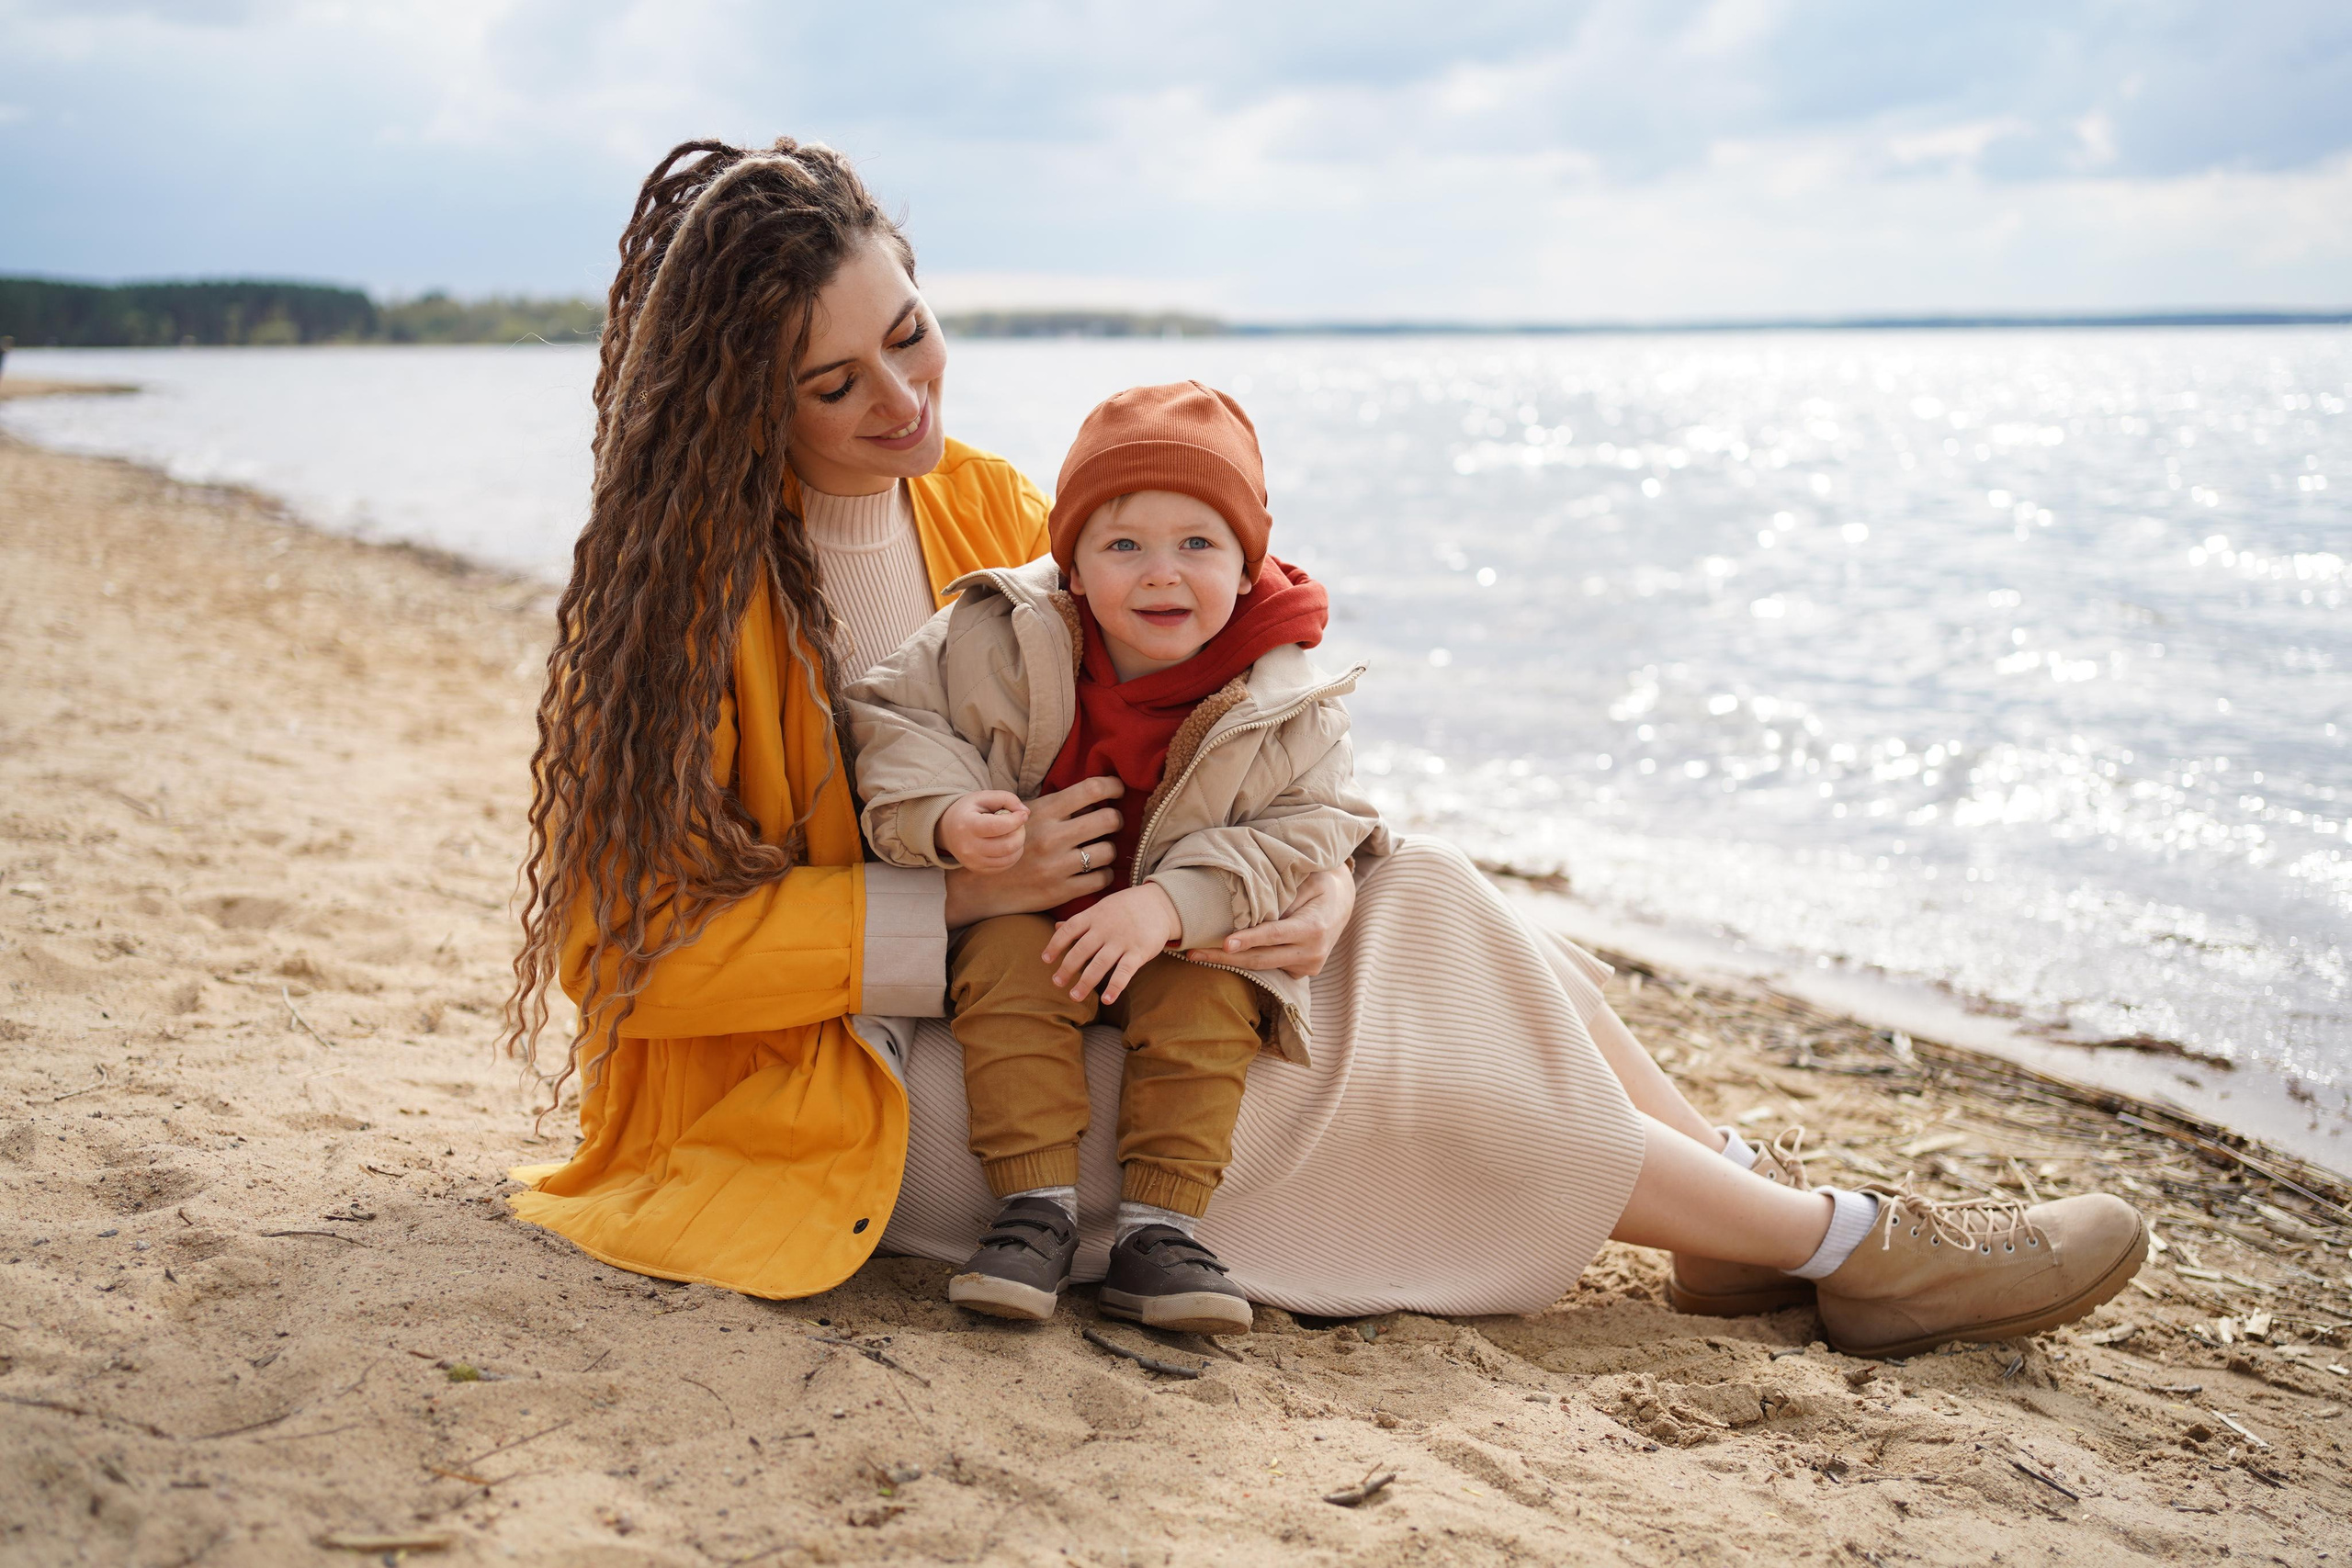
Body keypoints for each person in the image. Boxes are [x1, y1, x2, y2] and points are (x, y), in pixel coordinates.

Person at [503, 136, 2149, 1360]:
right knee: (1364, 1079)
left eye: (912, 330)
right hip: (858, 1078)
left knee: (1418, 894)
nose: (905, 397)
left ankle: (1746, 1210)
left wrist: (1298, 889)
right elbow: (623, 958)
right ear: (740, 403)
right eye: (835, 382)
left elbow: (1203, 720)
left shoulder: (993, 503)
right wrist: (957, 906)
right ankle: (1852, 1248)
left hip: (1100, 952)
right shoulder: (675, 613)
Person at [848, 380, 1383, 1334]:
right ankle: (1033, 1210)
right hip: (1032, 915)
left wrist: (1175, 905)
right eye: (1124, 545)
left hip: (1186, 932)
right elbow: (897, 718)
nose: (1161, 574)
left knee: (1209, 998)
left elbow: (1310, 825)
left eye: (1199, 544)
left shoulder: (1287, 693)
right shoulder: (995, 632)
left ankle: (1160, 1229)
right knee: (1006, 970)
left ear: (1247, 563)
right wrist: (945, 814)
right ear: (1073, 564)